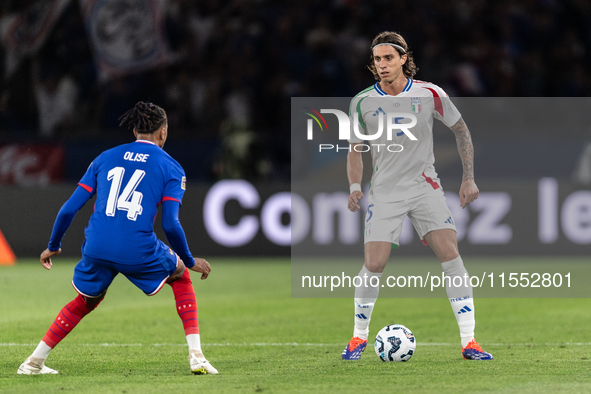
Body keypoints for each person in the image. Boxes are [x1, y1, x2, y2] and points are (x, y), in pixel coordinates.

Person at [18, 102, 219, 375]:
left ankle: (33, 362)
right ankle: (196, 356)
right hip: (137, 247)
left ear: (135, 130)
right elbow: (171, 224)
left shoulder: (104, 157)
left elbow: (68, 208)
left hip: (96, 245)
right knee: (180, 274)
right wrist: (189, 259)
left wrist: (53, 246)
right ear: (162, 133)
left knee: (86, 301)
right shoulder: (171, 167)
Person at [342, 32, 493, 361]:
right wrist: (355, 187)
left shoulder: (430, 94)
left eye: (387, 58)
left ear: (403, 59)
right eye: (377, 59)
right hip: (384, 191)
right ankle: (358, 338)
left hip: (425, 186)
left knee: (451, 257)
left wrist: (468, 178)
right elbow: (355, 150)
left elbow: (461, 129)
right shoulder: (362, 102)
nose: (381, 65)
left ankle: (469, 341)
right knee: (374, 263)